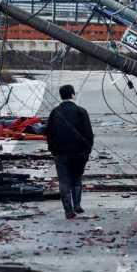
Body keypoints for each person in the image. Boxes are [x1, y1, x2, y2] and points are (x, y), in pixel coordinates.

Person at [44, 84, 94, 219]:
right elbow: (89, 134)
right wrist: (87, 151)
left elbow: (48, 133)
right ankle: (77, 205)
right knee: (77, 178)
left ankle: (68, 210)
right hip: (79, 153)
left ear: (61, 96)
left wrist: (53, 150)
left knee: (64, 181)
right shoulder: (81, 111)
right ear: (72, 94)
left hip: (60, 153)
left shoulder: (55, 112)